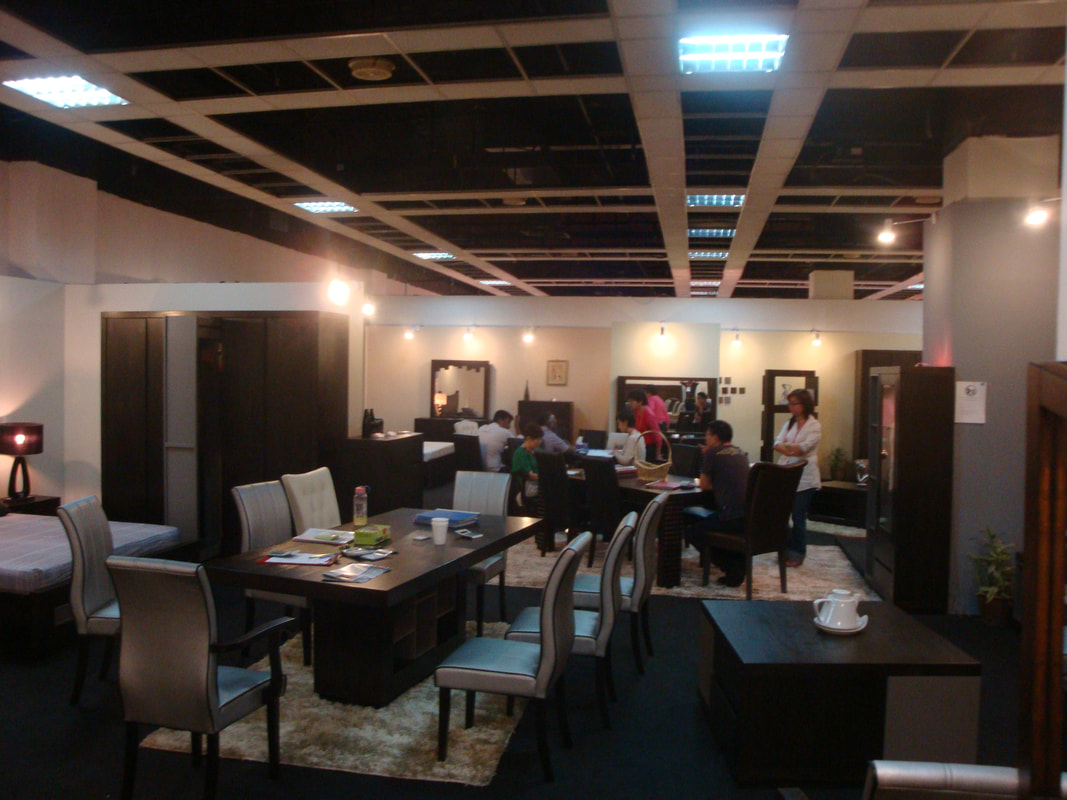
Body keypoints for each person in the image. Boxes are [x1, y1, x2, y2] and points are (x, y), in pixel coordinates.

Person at [684, 420, 751, 586]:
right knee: (707, 520)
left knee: (693, 532)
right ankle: (736, 564)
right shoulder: (740, 452)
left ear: (715, 438)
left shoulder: (712, 453)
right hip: (749, 515)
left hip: (730, 516)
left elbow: (704, 485)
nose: (705, 438)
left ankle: (732, 566)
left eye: (707, 435)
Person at [773, 388, 821, 567]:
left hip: (805, 477)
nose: (791, 407)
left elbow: (804, 448)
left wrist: (789, 447)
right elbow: (777, 443)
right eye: (790, 404)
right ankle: (784, 550)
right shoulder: (789, 423)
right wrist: (790, 448)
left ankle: (798, 553)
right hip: (786, 473)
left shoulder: (814, 425)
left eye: (794, 404)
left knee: (798, 517)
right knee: (782, 515)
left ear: (804, 404)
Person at [511, 422, 543, 506]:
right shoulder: (521, 453)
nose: (540, 442)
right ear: (529, 438)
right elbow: (530, 475)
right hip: (528, 487)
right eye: (538, 439)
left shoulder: (535, 451)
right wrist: (546, 479)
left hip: (537, 484)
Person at [626, 389, 662, 460]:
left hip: (648, 447)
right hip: (637, 445)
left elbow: (657, 434)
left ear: (640, 402)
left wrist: (658, 454)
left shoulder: (649, 414)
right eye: (629, 401)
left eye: (631, 401)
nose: (629, 403)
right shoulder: (634, 412)